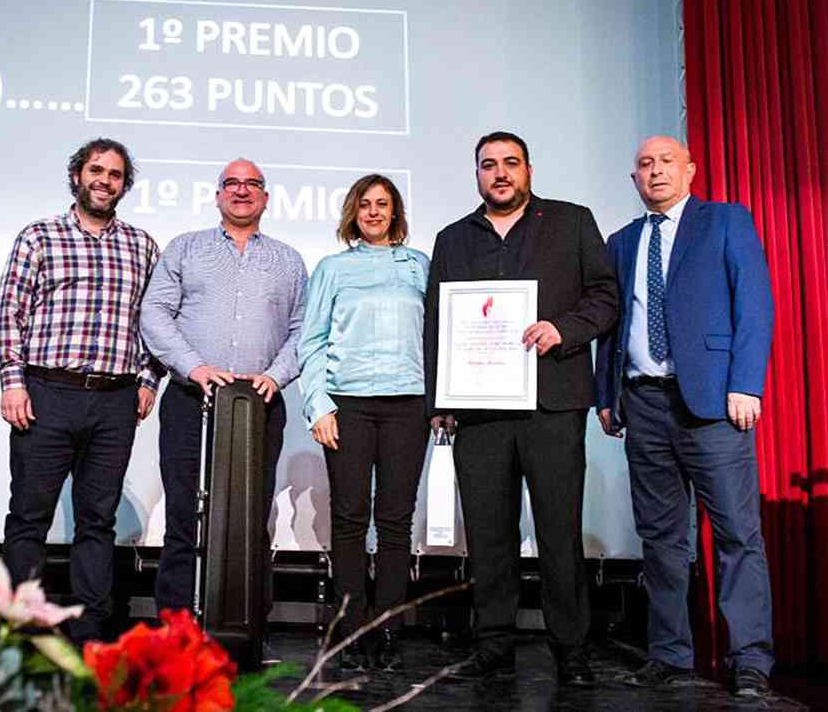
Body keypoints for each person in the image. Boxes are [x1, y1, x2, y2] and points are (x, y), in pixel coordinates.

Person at [423, 132, 619, 685]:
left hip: (551, 404)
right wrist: (439, 402)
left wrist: (565, 329)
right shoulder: (453, 238)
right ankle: (493, 645)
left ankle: (571, 649)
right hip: (477, 409)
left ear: (529, 169)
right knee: (488, 534)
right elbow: (437, 323)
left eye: (511, 163)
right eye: (489, 165)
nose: (500, 173)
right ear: (477, 174)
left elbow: (604, 297)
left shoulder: (571, 222)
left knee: (560, 530)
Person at [594, 135, 776, 697]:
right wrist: (606, 393)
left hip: (715, 404)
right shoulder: (621, 241)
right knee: (662, 538)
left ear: (690, 170)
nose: (656, 172)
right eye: (645, 165)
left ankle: (750, 661)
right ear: (634, 179)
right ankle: (671, 653)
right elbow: (613, 321)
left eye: (666, 162)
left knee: (737, 535)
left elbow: (755, 305)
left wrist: (746, 383)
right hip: (643, 404)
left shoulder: (725, 222)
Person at [0, 138, 163, 644]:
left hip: (114, 399)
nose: (104, 180)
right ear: (76, 177)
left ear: (124, 185)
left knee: (97, 520)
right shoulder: (39, 237)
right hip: (46, 392)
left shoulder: (142, 246)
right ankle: (22, 626)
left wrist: (148, 379)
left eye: (114, 174)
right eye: (96, 170)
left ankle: (92, 630)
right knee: (29, 516)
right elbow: (9, 313)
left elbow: (154, 322)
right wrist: (12, 381)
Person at [140, 159, 308, 620]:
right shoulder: (185, 249)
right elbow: (154, 314)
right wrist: (193, 367)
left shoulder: (288, 260)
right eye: (231, 183)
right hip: (191, 399)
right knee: (182, 517)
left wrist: (275, 375)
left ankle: (247, 627)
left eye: (251, 184)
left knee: (251, 522)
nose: (241, 191)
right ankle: (177, 629)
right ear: (217, 195)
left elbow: (304, 331)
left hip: (259, 403)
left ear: (266, 197)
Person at [298, 174, 430, 672]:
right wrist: (319, 406)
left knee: (396, 523)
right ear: (353, 212)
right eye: (365, 205)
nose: (374, 212)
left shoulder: (419, 266)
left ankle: (389, 628)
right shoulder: (332, 269)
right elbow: (310, 342)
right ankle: (351, 631)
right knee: (350, 521)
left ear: (395, 212)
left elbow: (435, 337)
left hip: (407, 405)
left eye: (383, 204)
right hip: (348, 406)